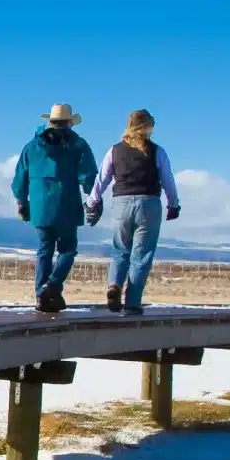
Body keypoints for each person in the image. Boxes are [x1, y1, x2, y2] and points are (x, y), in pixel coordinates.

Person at [84, 108, 180, 316]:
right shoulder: (157, 151)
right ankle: (132, 303)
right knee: (142, 255)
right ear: (148, 127)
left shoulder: (114, 150)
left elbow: (102, 179)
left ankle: (114, 285)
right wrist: (173, 204)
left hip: (121, 203)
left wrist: (92, 202)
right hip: (149, 204)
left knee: (120, 250)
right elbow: (167, 180)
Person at [11, 103, 97, 313]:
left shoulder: (31, 146)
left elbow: (19, 178)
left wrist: (22, 201)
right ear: (69, 122)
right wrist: (94, 200)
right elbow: (88, 176)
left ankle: (43, 296)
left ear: (49, 121)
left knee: (44, 251)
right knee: (67, 250)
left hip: (40, 207)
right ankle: (52, 285)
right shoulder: (78, 144)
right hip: (67, 204)